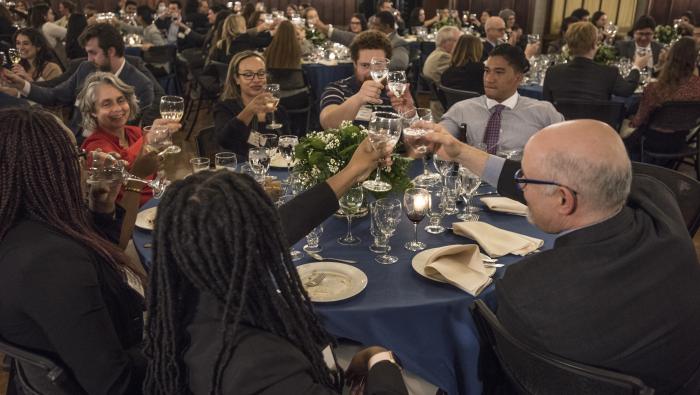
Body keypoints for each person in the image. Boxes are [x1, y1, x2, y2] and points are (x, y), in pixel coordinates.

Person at [420, 119, 700, 394]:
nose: (522, 188)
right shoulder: (659, 201)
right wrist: (461, 152)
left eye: (524, 180)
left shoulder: (528, 292)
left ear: (564, 200)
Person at [143, 138, 408, 395]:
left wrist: (353, 170)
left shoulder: (189, 298)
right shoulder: (261, 366)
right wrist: (383, 362)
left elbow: (290, 220)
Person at [0, 107, 155, 394]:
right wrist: (180, 335)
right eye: (77, 155)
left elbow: (94, 258)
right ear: (50, 169)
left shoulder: (26, 225)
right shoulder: (50, 265)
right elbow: (114, 384)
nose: (86, 163)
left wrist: (100, 212)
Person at [396, 44, 563, 153]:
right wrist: (410, 115)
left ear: (518, 78)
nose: (489, 78)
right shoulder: (463, 109)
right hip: (472, 189)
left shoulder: (543, 112)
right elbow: (432, 141)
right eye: (486, 70)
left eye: (499, 72)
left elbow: (568, 151)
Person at [0, 23, 154, 135]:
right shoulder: (86, 69)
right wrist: (22, 85)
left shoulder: (140, 85)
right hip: (77, 143)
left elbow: (130, 134)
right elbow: (54, 96)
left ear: (111, 51)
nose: (88, 58)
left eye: (93, 52)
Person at [78, 72, 177, 206]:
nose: (118, 108)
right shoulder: (95, 146)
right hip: (130, 215)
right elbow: (121, 170)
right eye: (107, 104)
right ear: (93, 112)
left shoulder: (134, 132)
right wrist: (148, 139)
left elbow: (153, 174)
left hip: (157, 202)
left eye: (121, 100)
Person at [625, 37, 700, 157]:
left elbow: (638, 121)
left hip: (651, 143)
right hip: (680, 142)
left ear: (670, 58)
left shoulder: (655, 88)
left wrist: (628, 120)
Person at [542, 21, 644, 102]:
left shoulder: (553, 72)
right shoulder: (608, 73)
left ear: (568, 46)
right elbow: (627, 90)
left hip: (560, 126)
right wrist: (637, 66)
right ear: (594, 45)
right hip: (595, 126)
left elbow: (547, 104)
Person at [214, 51, 290, 157]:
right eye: (248, 75)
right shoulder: (225, 108)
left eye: (261, 73)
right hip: (241, 169)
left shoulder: (278, 110)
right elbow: (225, 141)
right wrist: (249, 111)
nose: (256, 80)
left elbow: (288, 146)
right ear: (236, 79)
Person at [319, 31, 394, 130]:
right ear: (354, 64)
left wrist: (410, 114)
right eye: (365, 65)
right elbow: (328, 124)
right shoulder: (338, 89)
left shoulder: (395, 92)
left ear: (387, 65)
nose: (371, 73)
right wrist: (359, 98)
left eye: (378, 64)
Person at [316, 10, 409, 71]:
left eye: (375, 24)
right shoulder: (374, 37)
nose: (371, 27)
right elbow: (351, 38)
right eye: (371, 24)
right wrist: (326, 29)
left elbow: (400, 64)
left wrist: (370, 65)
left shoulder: (398, 42)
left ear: (387, 26)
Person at [264, 19, 311, 135]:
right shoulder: (299, 49)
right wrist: (302, 37)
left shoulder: (269, 50)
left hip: (276, 98)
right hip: (298, 98)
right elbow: (310, 49)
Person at [423, 25, 461, 117]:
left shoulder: (435, 54)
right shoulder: (443, 57)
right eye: (457, 41)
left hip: (438, 101)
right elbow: (456, 79)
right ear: (445, 42)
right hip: (442, 106)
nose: (460, 45)